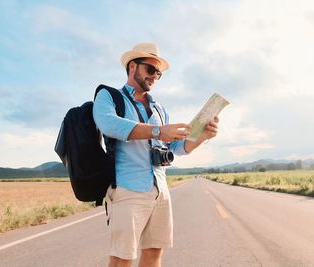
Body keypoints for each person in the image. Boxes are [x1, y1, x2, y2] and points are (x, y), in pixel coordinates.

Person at [93, 42, 219, 267]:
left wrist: (202, 137)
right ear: (133, 66)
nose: (155, 77)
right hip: (128, 189)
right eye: (151, 70)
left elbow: (175, 149)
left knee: (153, 255)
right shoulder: (109, 96)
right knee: (122, 260)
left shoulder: (160, 109)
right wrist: (159, 131)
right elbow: (108, 124)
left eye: (158, 74)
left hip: (160, 190)